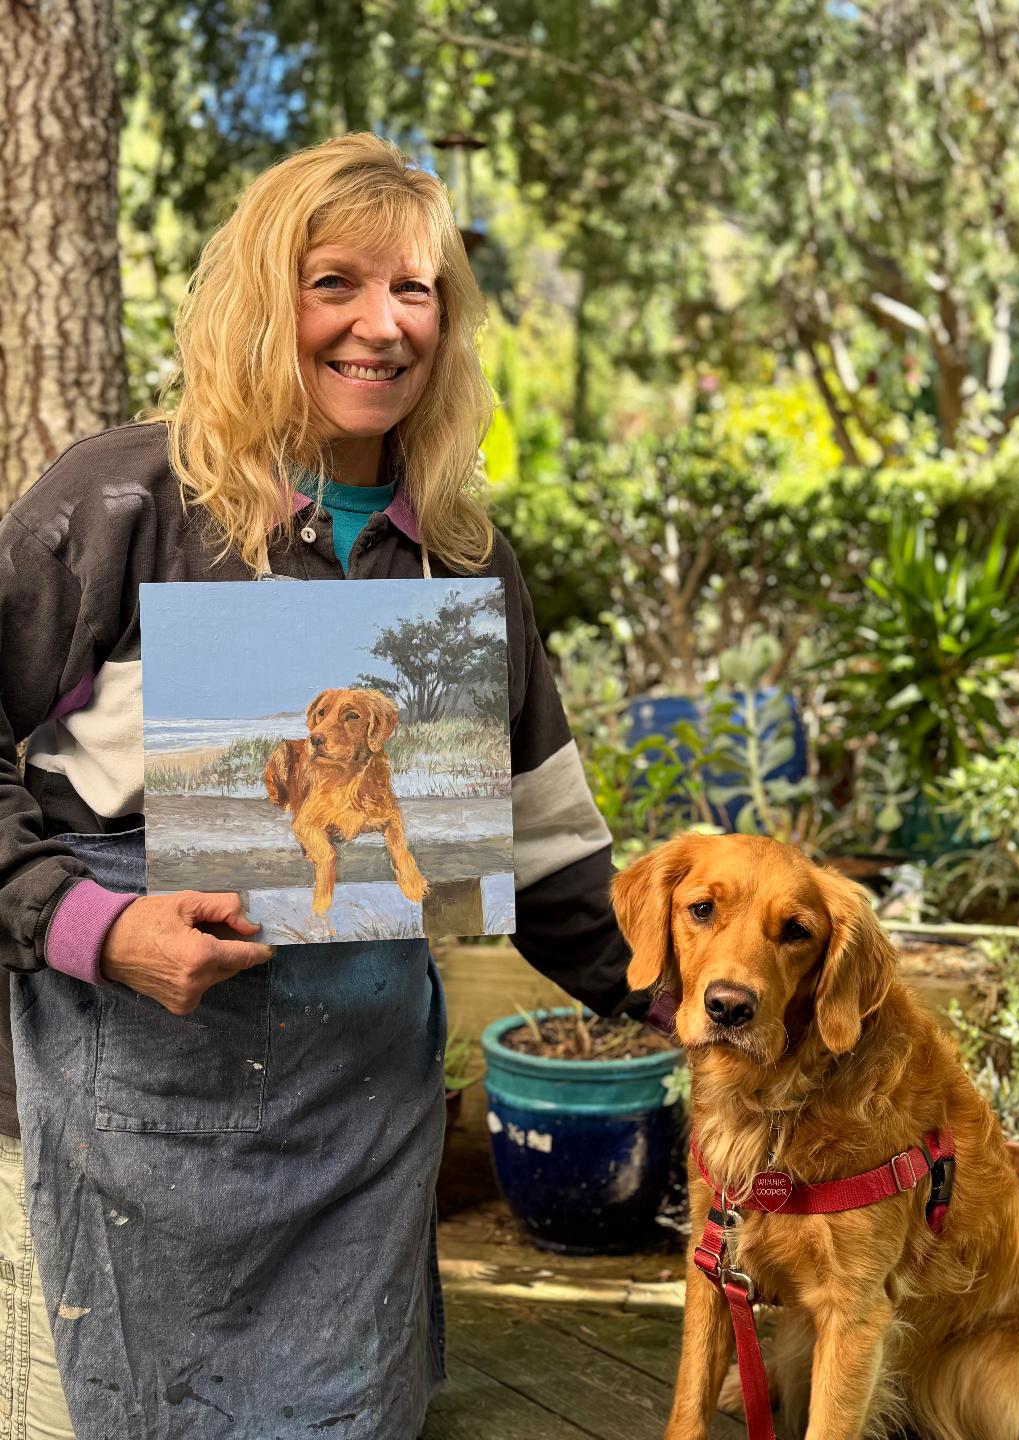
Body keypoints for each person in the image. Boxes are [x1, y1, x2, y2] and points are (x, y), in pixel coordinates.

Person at [0, 133, 637, 1439]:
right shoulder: (121, 501)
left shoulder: (462, 557)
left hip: (365, 1133)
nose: (380, 326)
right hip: (148, 1114)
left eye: (417, 291)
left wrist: (720, 1009)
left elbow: (554, 853)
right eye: (334, 281)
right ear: (259, 298)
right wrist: (97, 928)